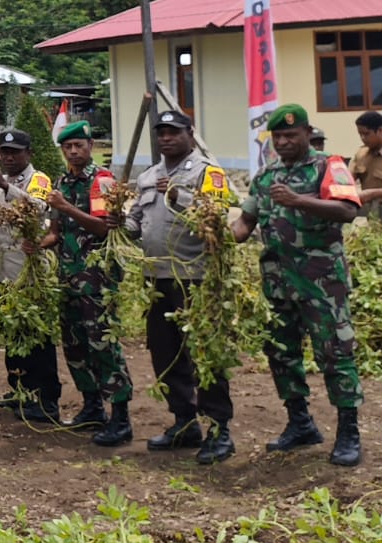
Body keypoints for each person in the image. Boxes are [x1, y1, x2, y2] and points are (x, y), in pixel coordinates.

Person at [232, 103, 365, 467]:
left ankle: (348, 432)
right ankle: (300, 423)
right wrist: (219, 233)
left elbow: (348, 211)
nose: (285, 142)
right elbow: (245, 223)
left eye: (291, 135)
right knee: (281, 353)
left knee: (335, 354)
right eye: (278, 137)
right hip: (277, 283)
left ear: (308, 133)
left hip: (322, 283)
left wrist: (299, 201)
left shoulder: (328, 165)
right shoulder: (265, 175)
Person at [127, 110, 236, 465]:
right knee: (165, 351)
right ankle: (184, 422)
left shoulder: (208, 173)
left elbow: (217, 219)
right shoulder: (148, 176)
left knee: (203, 356)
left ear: (190, 133)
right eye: (161, 133)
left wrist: (178, 196)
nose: (166, 138)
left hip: (196, 278)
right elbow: (136, 223)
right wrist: (118, 221)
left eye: (174, 132)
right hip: (157, 278)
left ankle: (219, 431)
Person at [45, 121, 134, 447]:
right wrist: (36, 244)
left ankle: (121, 417)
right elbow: (55, 231)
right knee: (75, 344)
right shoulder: (61, 182)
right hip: (68, 278)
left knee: (103, 346)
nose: (72, 151)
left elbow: (102, 229)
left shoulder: (102, 181)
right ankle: (92, 407)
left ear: (90, 145)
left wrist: (66, 207)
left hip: (97, 278)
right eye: (67, 147)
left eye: (78, 145)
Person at [0, 129, 60, 424]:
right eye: (5, 152)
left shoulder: (38, 180)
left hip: (31, 274)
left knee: (38, 339)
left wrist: (6, 187)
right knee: (13, 338)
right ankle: (20, 391)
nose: (9, 157)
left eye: (15, 152)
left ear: (29, 154)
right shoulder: (1, 184)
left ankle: (47, 400)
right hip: (6, 273)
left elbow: (38, 209)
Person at [352, 110, 382, 219]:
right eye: (360, 134)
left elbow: (370, 194)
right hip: (372, 215)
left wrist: (372, 194)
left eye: (366, 134)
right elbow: (348, 180)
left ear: (380, 130)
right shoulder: (361, 154)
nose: (363, 138)